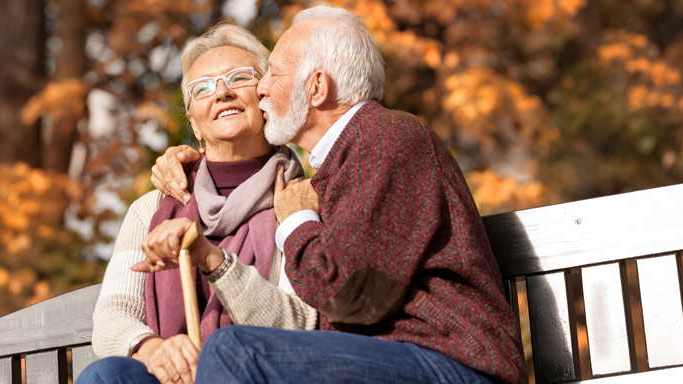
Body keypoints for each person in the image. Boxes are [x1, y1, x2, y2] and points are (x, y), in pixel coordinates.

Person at [149, 5, 526, 384]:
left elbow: (350, 295)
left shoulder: (386, 137)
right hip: (392, 360)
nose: (262, 88)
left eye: (274, 75)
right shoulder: (344, 160)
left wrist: (296, 221)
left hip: (452, 362)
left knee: (234, 350)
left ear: (316, 87)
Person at [76, 24, 316, 384]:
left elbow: (298, 323)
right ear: (194, 123)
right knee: (107, 375)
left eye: (239, 77)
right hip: (169, 376)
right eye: (202, 87)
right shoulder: (151, 208)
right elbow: (113, 314)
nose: (222, 92)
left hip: (256, 374)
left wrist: (214, 261)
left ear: (266, 98)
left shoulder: (299, 201)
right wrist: (154, 350)